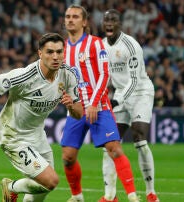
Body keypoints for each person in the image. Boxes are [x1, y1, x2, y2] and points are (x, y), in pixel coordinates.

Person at [0, 33, 83, 202]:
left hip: (37, 134)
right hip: (13, 135)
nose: (55, 57)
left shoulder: (68, 74)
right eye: (50, 52)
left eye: (59, 52)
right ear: (40, 54)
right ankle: (10, 187)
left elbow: (78, 114)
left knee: (42, 189)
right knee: (51, 181)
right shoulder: (26, 76)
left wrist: (71, 105)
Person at [61, 5, 139, 202]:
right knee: (68, 157)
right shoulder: (61, 49)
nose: (70, 20)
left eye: (75, 17)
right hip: (76, 110)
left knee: (114, 148)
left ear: (84, 22)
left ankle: (132, 196)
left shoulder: (95, 44)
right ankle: (77, 196)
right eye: (68, 16)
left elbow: (105, 74)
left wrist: (94, 103)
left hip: (99, 107)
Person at [101, 9, 160, 202]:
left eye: (113, 20)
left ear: (120, 24)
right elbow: (103, 75)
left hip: (140, 92)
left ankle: (151, 192)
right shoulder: (101, 45)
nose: (109, 23)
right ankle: (110, 196)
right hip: (119, 94)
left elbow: (134, 80)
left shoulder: (131, 45)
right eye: (106, 20)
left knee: (139, 136)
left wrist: (117, 100)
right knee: (110, 142)